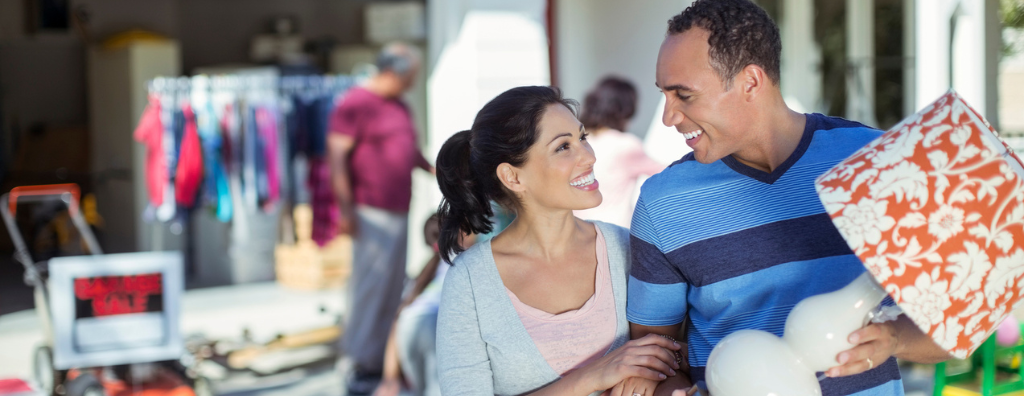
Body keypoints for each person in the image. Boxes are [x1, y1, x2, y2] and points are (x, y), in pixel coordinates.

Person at [621, 1, 952, 395]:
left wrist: (895, 340)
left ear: (751, 81)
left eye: (684, 96)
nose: (668, 116)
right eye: (665, 95)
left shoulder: (876, 163)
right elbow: (652, 361)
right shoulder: (662, 203)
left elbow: (950, 321)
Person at [435, 86, 682, 396]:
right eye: (563, 147)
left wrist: (657, 372)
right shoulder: (469, 282)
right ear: (513, 177)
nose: (589, 157)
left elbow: (679, 353)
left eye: (582, 138)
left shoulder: (626, 249)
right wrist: (590, 377)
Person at [326, 42, 434, 395]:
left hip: (399, 205)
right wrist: (344, 209)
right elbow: (338, 157)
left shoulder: (398, 105)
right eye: (410, 77)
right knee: (370, 286)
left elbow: (408, 150)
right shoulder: (356, 103)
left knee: (392, 286)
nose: (411, 85)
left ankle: (382, 359)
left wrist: (438, 170)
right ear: (392, 72)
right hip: (371, 209)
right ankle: (358, 360)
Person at [374, 214, 473, 396]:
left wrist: (389, 378)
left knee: (420, 390)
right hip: (434, 324)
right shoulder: (464, 260)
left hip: (408, 325)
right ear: (459, 234)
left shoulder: (423, 274)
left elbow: (398, 318)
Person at [573, 76, 666, 227]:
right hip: (614, 234)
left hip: (579, 232)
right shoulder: (625, 145)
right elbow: (667, 175)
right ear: (626, 108)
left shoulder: (577, 143)